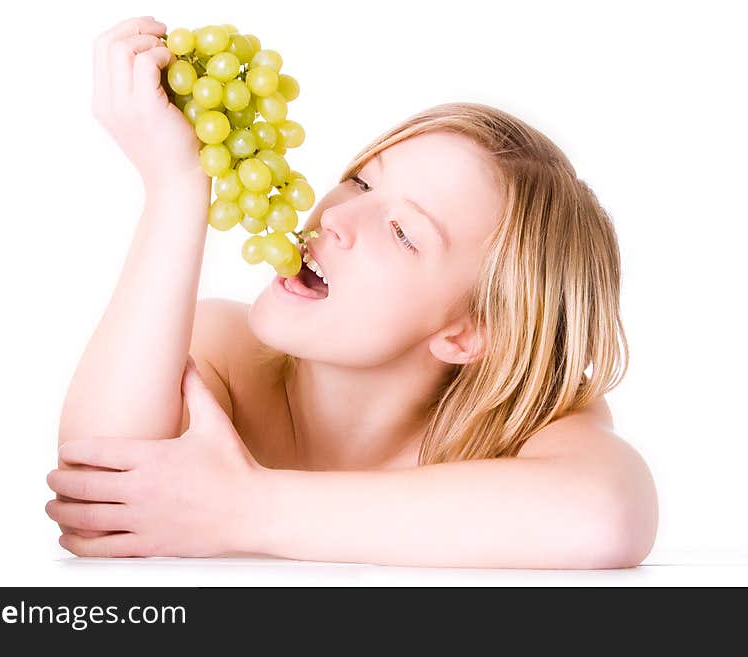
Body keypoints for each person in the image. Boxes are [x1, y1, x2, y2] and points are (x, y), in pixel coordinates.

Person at [45, 16, 658, 568]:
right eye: (362, 183)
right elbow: (95, 485)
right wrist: (177, 187)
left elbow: (609, 515)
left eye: (401, 232)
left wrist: (242, 507)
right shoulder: (220, 351)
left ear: (468, 332)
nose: (335, 217)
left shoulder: (517, 436)